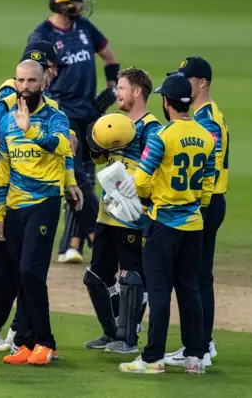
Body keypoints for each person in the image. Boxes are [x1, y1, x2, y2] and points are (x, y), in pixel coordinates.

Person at [119, 74, 216, 375]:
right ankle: (195, 358)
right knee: (189, 290)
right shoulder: (206, 136)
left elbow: (143, 179)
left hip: (162, 223)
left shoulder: (161, 136)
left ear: (166, 102)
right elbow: (208, 187)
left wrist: (147, 201)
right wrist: (192, 206)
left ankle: (152, 358)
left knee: (159, 291)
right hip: (193, 225)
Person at [0, 59, 83, 366]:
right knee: (21, 275)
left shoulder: (55, 116)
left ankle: (46, 342)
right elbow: (2, 167)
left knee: (32, 271)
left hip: (43, 203)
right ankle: (27, 343)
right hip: (14, 206)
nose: (25, 86)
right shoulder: (6, 121)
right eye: (20, 80)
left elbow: (61, 147)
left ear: (44, 83)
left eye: (32, 81)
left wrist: (30, 130)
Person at [26, 0, 120, 264]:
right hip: (62, 116)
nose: (83, 5)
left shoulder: (84, 28)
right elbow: (29, 75)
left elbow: (108, 55)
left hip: (90, 115)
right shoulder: (41, 35)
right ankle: (98, 239)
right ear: (66, 4)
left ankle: (72, 245)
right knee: (77, 178)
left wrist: (113, 87)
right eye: (79, 0)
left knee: (90, 178)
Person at [82, 68, 162, 354]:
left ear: (137, 92)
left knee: (131, 277)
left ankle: (128, 337)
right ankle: (113, 330)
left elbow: (156, 168)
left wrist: (136, 181)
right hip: (107, 213)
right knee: (96, 276)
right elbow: (98, 155)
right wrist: (94, 129)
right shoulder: (114, 124)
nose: (117, 92)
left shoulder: (152, 128)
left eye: (122, 88)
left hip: (133, 215)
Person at [164, 57, 229, 367]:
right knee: (197, 276)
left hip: (205, 202)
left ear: (202, 82)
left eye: (186, 78)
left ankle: (200, 346)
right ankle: (201, 343)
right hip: (206, 201)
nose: (182, 83)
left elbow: (210, 167)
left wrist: (198, 206)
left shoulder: (207, 119)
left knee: (196, 277)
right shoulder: (207, 114)